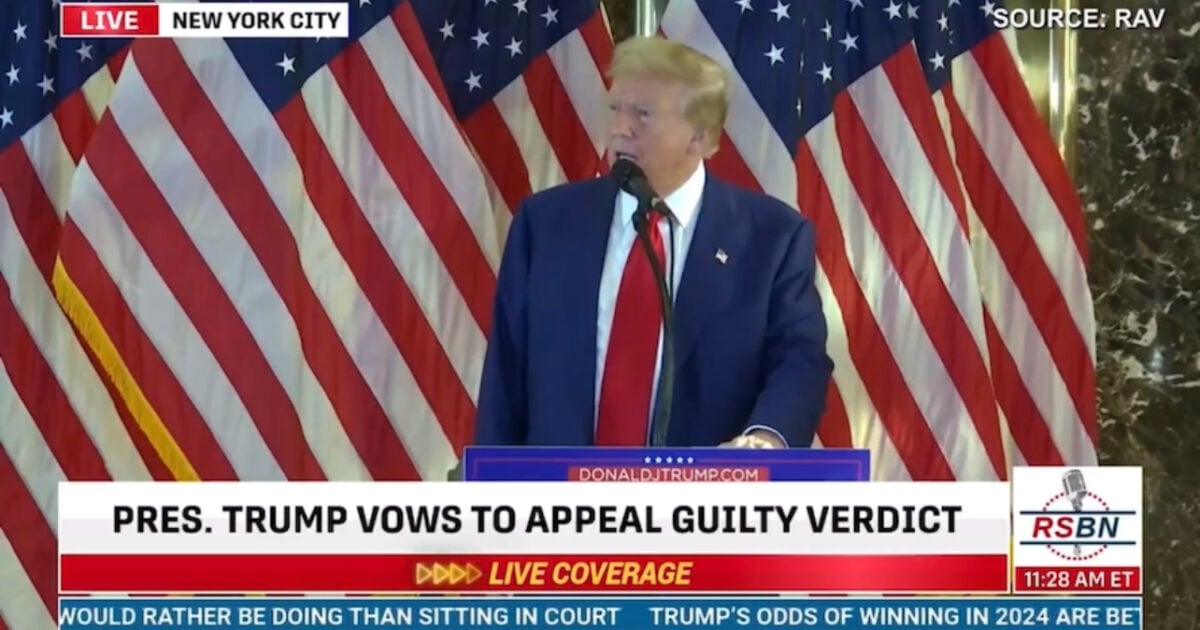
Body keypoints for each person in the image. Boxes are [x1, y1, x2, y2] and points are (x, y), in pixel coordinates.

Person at [474, 36, 832, 448]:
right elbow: (506, 371)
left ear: (698, 137)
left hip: (705, 486)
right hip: (558, 486)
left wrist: (767, 440)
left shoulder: (772, 240)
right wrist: (491, 478)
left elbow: (799, 358)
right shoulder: (546, 224)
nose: (619, 129)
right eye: (615, 109)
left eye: (642, 115)